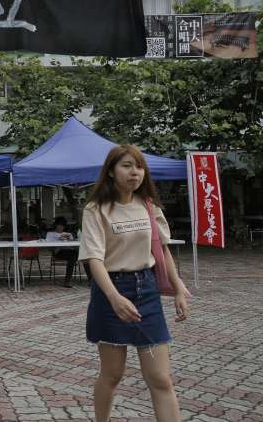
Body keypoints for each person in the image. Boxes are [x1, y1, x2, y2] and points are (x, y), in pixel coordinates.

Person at [78, 145, 189, 422]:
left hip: (147, 291)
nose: (134, 172)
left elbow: (162, 250)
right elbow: (94, 259)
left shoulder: (148, 206)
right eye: (127, 166)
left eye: (138, 167)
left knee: (161, 379)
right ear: (112, 172)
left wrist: (177, 289)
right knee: (112, 374)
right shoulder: (96, 209)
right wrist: (114, 298)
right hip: (111, 292)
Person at [45, 216, 77, 288]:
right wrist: (59, 239)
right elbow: (48, 244)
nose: (60, 227)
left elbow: (73, 244)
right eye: (59, 225)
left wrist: (69, 239)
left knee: (84, 255)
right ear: (55, 225)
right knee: (73, 255)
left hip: (70, 251)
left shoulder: (68, 234)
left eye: (62, 226)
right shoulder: (50, 234)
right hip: (58, 252)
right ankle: (67, 281)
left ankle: (91, 278)